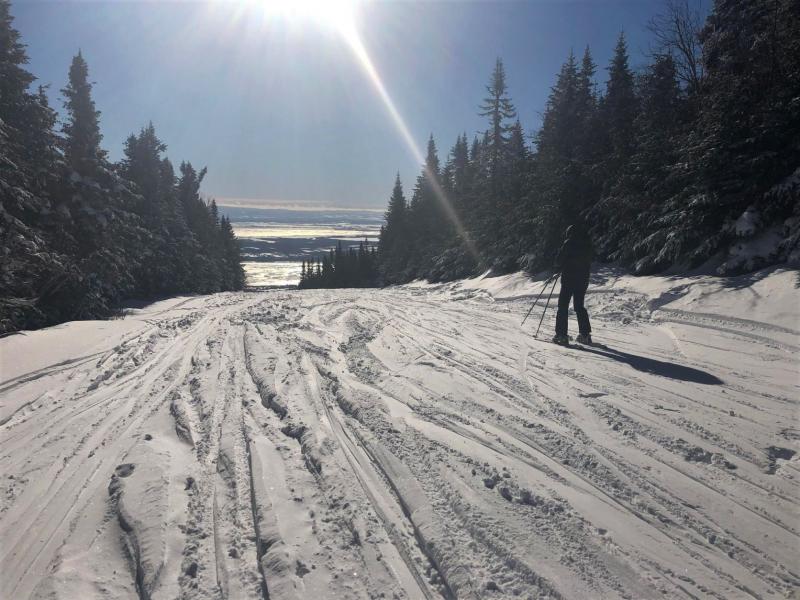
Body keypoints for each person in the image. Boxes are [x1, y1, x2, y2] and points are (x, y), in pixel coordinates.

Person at [553, 223, 593, 345]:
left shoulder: (569, 243)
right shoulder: (587, 244)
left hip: (569, 280)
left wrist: (561, 262)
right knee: (579, 306)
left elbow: (558, 261)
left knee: (563, 306)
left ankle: (561, 335)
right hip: (583, 280)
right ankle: (585, 335)